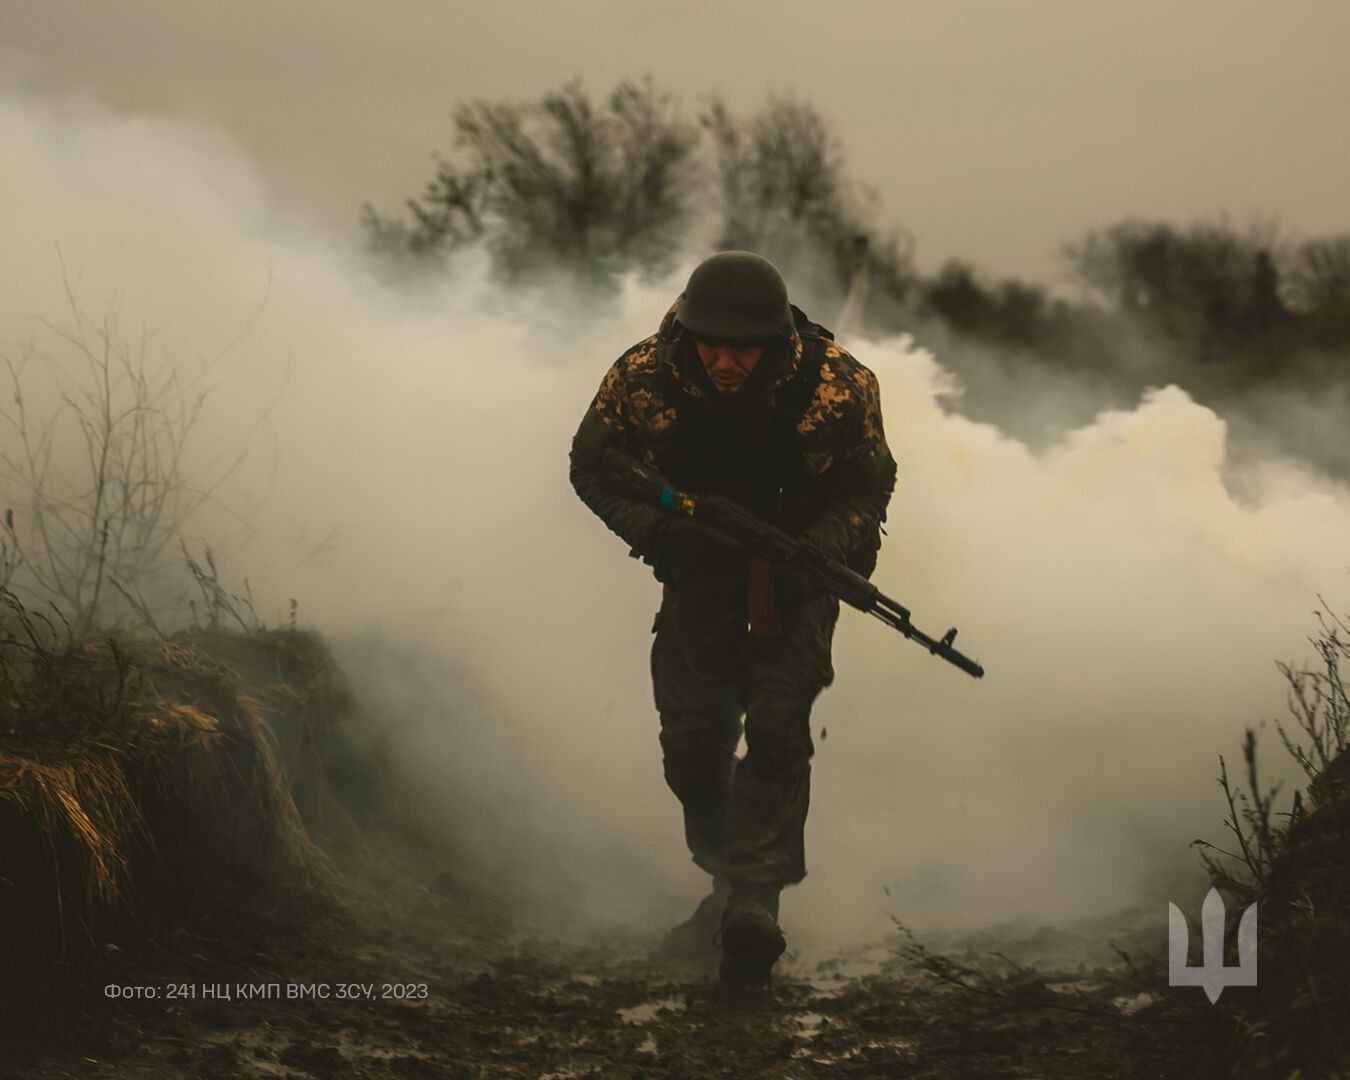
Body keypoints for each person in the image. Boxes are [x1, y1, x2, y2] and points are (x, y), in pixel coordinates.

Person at [568, 251, 897, 987]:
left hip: (797, 577)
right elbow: (592, 467)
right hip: (699, 573)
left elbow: (869, 485)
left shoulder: (839, 385)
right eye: (711, 343)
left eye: (741, 347)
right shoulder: (644, 376)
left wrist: (819, 547)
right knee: (691, 746)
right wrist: (662, 531)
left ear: (773, 342)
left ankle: (756, 901)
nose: (723, 361)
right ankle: (724, 878)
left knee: (778, 726)